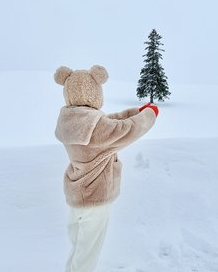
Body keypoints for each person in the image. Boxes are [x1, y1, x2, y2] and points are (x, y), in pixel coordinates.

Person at [54, 65, 158, 272]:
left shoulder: (69, 121)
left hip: (77, 198)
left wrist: (135, 111)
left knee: (78, 251)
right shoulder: (98, 128)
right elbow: (128, 130)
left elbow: (108, 121)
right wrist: (149, 115)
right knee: (87, 257)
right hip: (95, 199)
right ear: (95, 92)